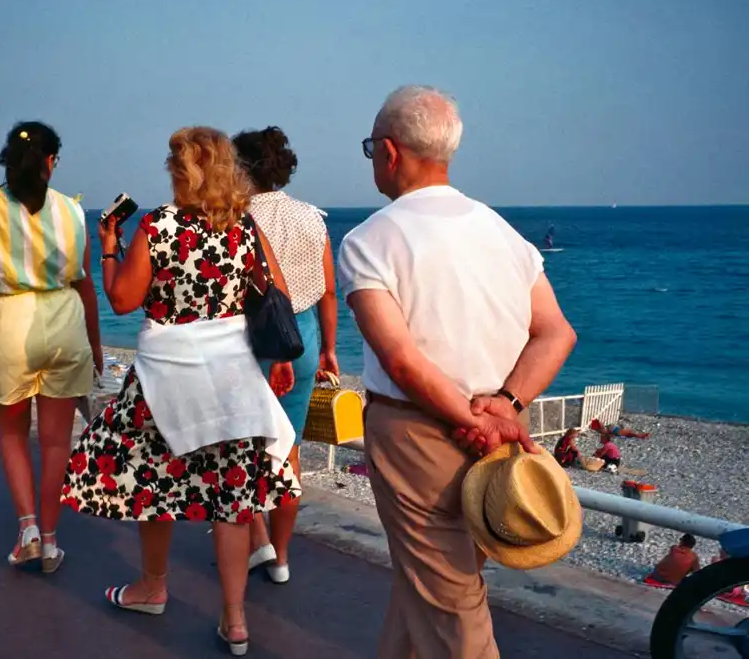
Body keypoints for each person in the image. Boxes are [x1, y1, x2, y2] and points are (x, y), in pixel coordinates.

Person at [338, 85, 577, 658]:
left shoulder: (369, 240)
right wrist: (507, 407)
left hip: (419, 433)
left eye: (372, 148)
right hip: (498, 434)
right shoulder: (502, 233)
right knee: (432, 581)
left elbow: (399, 358)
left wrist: (475, 418)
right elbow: (556, 331)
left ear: (389, 152)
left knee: (451, 600)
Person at [62, 126, 301, 656]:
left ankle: (151, 587)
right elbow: (274, 295)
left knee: (155, 487)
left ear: (181, 172)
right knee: (234, 501)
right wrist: (279, 357)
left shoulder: (158, 227)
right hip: (234, 382)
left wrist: (108, 250)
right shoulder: (243, 228)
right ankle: (235, 620)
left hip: (165, 380)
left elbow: (123, 299)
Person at [0, 122, 102, 574]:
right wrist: (94, 344)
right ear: (51, 161)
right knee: (57, 443)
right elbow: (84, 283)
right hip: (65, 322)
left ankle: (28, 531)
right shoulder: (73, 212)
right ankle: (52, 540)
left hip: (10, 323)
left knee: (14, 435)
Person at [232, 126, 339, 585]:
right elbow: (329, 292)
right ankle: (282, 559)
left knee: (241, 445)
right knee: (287, 450)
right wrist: (331, 349)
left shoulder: (232, 219)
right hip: (302, 337)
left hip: (247, 339)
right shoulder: (312, 218)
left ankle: (257, 537)